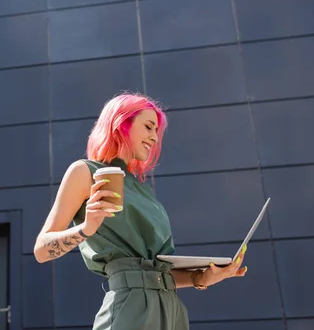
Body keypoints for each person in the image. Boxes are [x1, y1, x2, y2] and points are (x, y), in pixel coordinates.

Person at [34, 92, 248, 329]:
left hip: (172, 311)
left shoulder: (142, 189)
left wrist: (201, 278)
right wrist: (86, 228)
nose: (154, 137)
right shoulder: (84, 172)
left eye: (156, 131)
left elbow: (153, 272)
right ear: (120, 123)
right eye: (148, 127)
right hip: (130, 309)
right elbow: (42, 251)